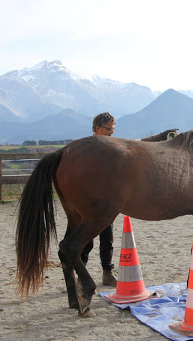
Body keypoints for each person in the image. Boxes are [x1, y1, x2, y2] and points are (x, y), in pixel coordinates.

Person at [80, 112, 117, 286]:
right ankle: (81, 274)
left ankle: (107, 273)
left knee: (107, 238)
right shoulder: (87, 147)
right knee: (86, 238)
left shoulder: (111, 148)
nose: (112, 133)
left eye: (113, 129)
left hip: (107, 200)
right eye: (108, 129)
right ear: (97, 128)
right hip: (89, 201)